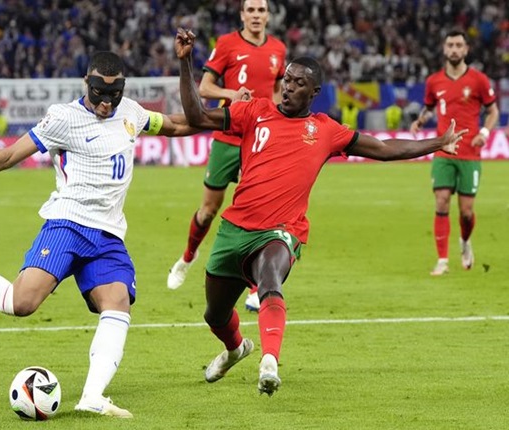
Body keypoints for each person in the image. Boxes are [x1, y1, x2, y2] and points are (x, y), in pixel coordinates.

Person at [0, 51, 199, 419]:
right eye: (100, 94)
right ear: (86, 84)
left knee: (117, 302)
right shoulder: (63, 118)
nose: (106, 103)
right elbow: (8, 156)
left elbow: (181, 125)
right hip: (66, 224)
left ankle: (92, 396)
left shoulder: (132, 113)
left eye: (113, 95)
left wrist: (231, 119)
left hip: (108, 236)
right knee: (21, 303)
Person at [174, 28, 466, 395]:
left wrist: (437, 142)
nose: (288, 87)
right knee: (214, 315)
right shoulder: (255, 111)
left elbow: (384, 147)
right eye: (287, 79)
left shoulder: (326, 130)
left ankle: (270, 361)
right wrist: (185, 62)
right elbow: (197, 116)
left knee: (269, 280)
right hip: (236, 227)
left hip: (282, 229)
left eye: (298, 83)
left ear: (314, 93)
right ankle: (236, 348)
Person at [167, 0, 287, 315]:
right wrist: (230, 95)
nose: (257, 15)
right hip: (227, 134)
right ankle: (187, 257)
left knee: (258, 212)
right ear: (243, 15)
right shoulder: (227, 44)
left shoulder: (278, 49)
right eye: (252, 10)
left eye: (262, 10)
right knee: (208, 210)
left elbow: (276, 92)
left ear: (268, 16)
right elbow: (205, 88)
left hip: (259, 138)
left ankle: (255, 286)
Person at [410, 30, 499, 276]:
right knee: (441, 201)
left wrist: (484, 132)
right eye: (450, 45)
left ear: (466, 49)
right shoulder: (434, 81)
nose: (454, 50)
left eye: (459, 45)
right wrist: (420, 120)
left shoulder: (479, 80)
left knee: (467, 211)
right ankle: (442, 260)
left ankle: (465, 241)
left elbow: (493, 112)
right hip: (443, 151)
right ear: (444, 48)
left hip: (471, 152)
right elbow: (429, 107)